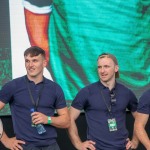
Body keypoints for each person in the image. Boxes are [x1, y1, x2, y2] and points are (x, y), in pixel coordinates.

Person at [0, 46, 70, 150]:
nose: (30, 65)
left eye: (35, 61)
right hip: (24, 146)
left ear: (44, 63)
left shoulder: (55, 88)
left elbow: (66, 122)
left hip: (51, 146)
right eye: (27, 61)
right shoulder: (12, 86)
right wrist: (5, 140)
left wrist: (48, 119)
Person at [68, 53, 139, 150]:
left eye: (106, 66)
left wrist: (135, 141)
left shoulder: (126, 92)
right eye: (99, 67)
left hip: (122, 147)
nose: (102, 71)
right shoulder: (86, 92)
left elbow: (140, 118)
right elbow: (69, 118)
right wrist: (78, 144)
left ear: (116, 68)